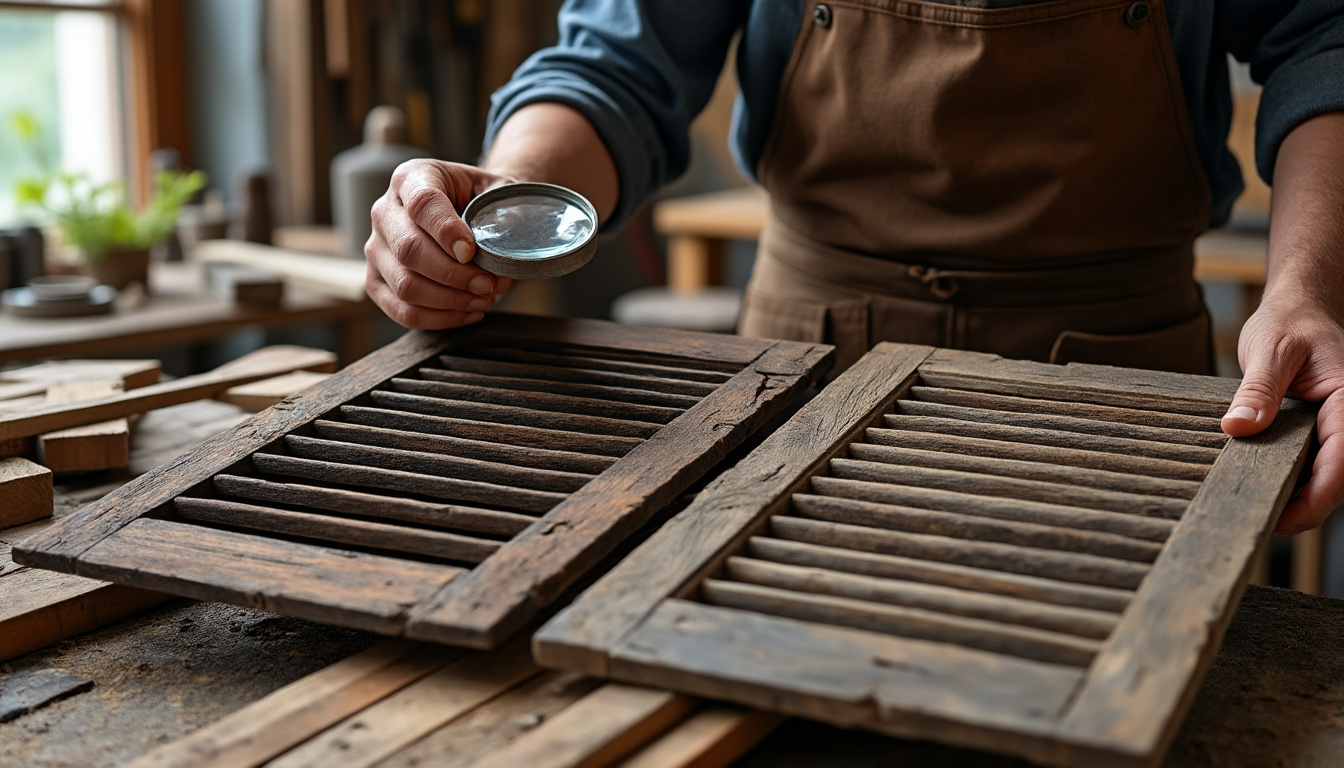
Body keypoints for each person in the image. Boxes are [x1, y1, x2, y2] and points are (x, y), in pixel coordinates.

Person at [362, 0, 1344, 537]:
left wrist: (1307, 288)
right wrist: (507, 198)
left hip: (1123, 387)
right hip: (803, 368)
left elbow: (1322, 41)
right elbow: (619, 65)